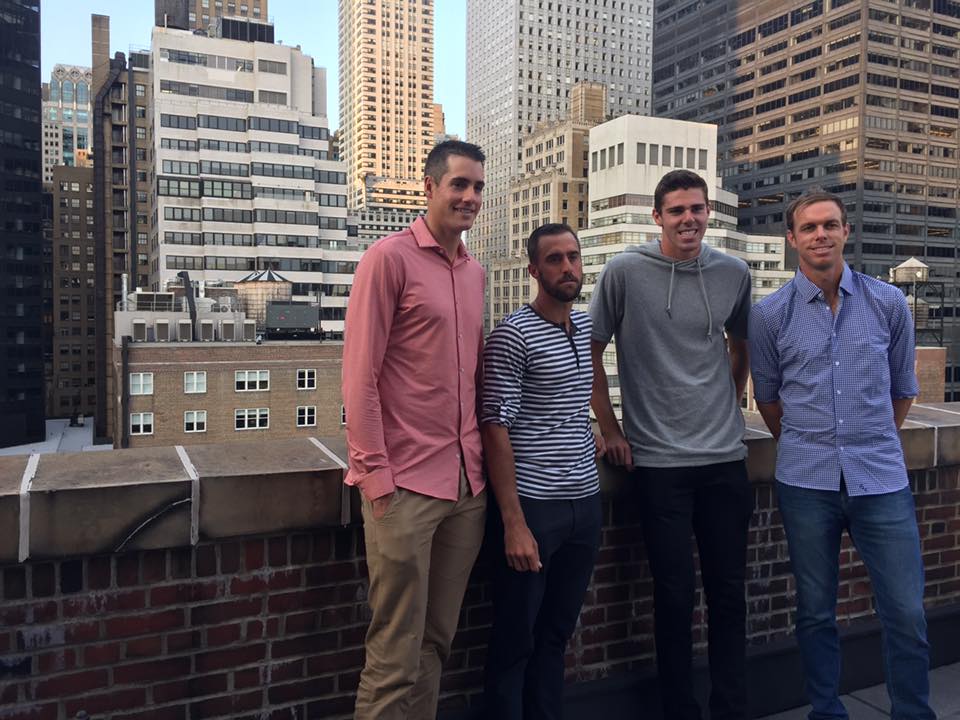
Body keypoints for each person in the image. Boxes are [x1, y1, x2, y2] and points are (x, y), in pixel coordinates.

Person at [748, 189, 934, 720]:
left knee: (905, 612)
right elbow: (767, 397)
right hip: (806, 483)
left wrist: (866, 440)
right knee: (814, 612)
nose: (820, 235)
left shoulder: (888, 303)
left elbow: (902, 389)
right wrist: (813, 443)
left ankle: (914, 713)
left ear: (846, 231)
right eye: (808, 228)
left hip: (881, 480)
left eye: (830, 224)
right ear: (791, 239)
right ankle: (826, 712)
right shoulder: (770, 315)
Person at [589, 169, 753, 720]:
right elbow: (589, 349)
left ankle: (730, 707)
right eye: (677, 210)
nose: (689, 219)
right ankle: (678, 710)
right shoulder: (625, 272)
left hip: (726, 459)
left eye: (697, 209)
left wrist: (728, 400)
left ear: (710, 213)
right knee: (674, 596)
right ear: (657, 217)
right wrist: (609, 428)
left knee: (730, 595)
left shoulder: (734, 273)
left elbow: (742, 342)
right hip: (657, 463)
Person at [342, 140, 488, 720]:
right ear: (429, 188)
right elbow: (359, 376)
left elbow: (474, 375)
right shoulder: (388, 259)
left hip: (465, 488)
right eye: (459, 185)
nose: (470, 197)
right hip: (403, 487)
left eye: (478, 186)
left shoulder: (475, 273)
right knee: (393, 655)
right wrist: (376, 478)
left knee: (436, 644)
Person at [482, 223, 604, 719]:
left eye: (573, 257)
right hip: (534, 508)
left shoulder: (585, 328)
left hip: (585, 504)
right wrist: (513, 522)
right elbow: (495, 425)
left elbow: (569, 404)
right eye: (554, 260)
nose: (567, 268)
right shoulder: (514, 334)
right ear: (534, 270)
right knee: (516, 640)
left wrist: (591, 429)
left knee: (556, 636)